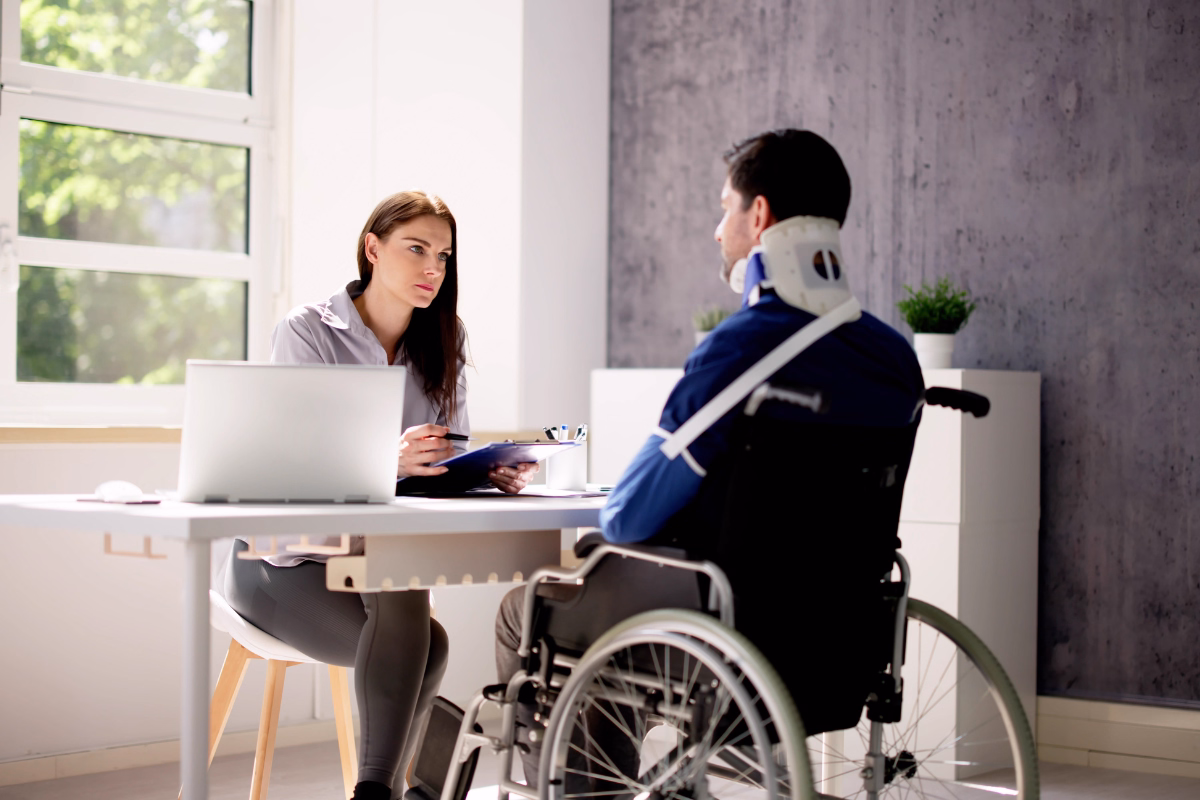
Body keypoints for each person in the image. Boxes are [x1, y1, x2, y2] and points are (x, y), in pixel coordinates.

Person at [493, 129, 925, 785]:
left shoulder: (742, 350)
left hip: (722, 628)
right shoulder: (896, 363)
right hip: (837, 641)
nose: (717, 230)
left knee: (531, 605)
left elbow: (627, 520)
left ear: (760, 217)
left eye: (725, 208)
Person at [223, 190, 537, 800]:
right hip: (275, 562)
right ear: (373, 248)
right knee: (426, 635)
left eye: (443, 257)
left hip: (369, 558)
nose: (432, 270)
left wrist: (479, 468)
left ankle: (375, 794)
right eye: (416, 249)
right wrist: (384, 458)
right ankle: (394, 792)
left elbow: (445, 451)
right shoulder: (309, 332)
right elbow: (286, 463)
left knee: (407, 591)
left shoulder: (443, 337)